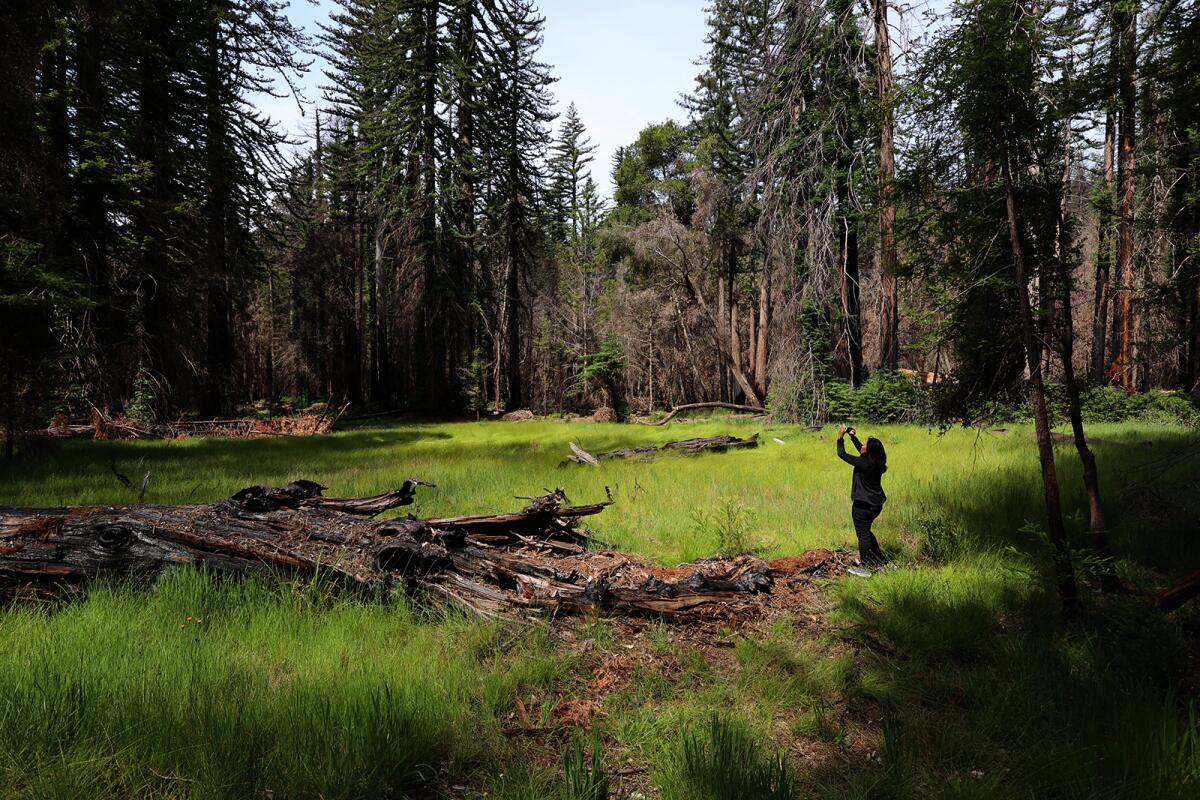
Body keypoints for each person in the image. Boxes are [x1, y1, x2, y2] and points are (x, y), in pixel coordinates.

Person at [836, 424, 887, 571]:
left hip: (863, 506)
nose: (862, 445)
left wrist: (840, 437)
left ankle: (865, 568)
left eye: (865, 444)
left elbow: (842, 454)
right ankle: (879, 557)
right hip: (876, 505)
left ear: (869, 451)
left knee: (863, 535)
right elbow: (862, 451)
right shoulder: (878, 462)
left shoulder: (864, 463)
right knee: (866, 531)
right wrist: (853, 437)